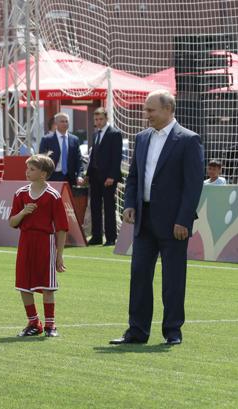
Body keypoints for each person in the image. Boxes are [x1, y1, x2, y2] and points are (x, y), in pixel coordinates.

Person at [110, 89, 204, 346]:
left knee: (173, 279)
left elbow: (193, 185)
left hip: (175, 222)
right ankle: (137, 332)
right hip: (144, 219)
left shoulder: (188, 140)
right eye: (145, 109)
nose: (146, 114)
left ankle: (172, 331)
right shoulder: (141, 138)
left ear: (168, 109)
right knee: (139, 275)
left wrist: (184, 220)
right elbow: (134, 178)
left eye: (150, 110)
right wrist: (129, 204)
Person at [9, 154, 68, 337]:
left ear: (43, 174)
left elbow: (61, 228)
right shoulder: (20, 194)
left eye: (32, 169)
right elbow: (12, 222)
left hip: (45, 243)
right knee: (24, 285)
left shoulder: (53, 196)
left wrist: (59, 254)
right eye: (27, 168)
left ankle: (51, 325)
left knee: (47, 286)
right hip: (25, 241)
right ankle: (34, 322)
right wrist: (23, 212)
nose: (27, 172)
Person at [85, 108, 123, 246]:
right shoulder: (96, 134)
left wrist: (112, 176)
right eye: (96, 120)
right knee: (94, 206)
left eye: (100, 119)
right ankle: (96, 236)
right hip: (95, 177)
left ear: (106, 118)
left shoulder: (114, 134)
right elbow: (93, 156)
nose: (98, 122)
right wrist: (88, 175)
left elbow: (116, 157)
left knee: (108, 207)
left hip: (108, 178)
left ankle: (111, 237)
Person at [39, 112, 83, 186]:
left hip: (69, 178)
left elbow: (78, 159)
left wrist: (79, 175)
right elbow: (42, 159)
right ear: (56, 123)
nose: (65, 123)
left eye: (66, 121)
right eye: (62, 121)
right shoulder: (47, 139)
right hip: (53, 176)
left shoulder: (74, 139)